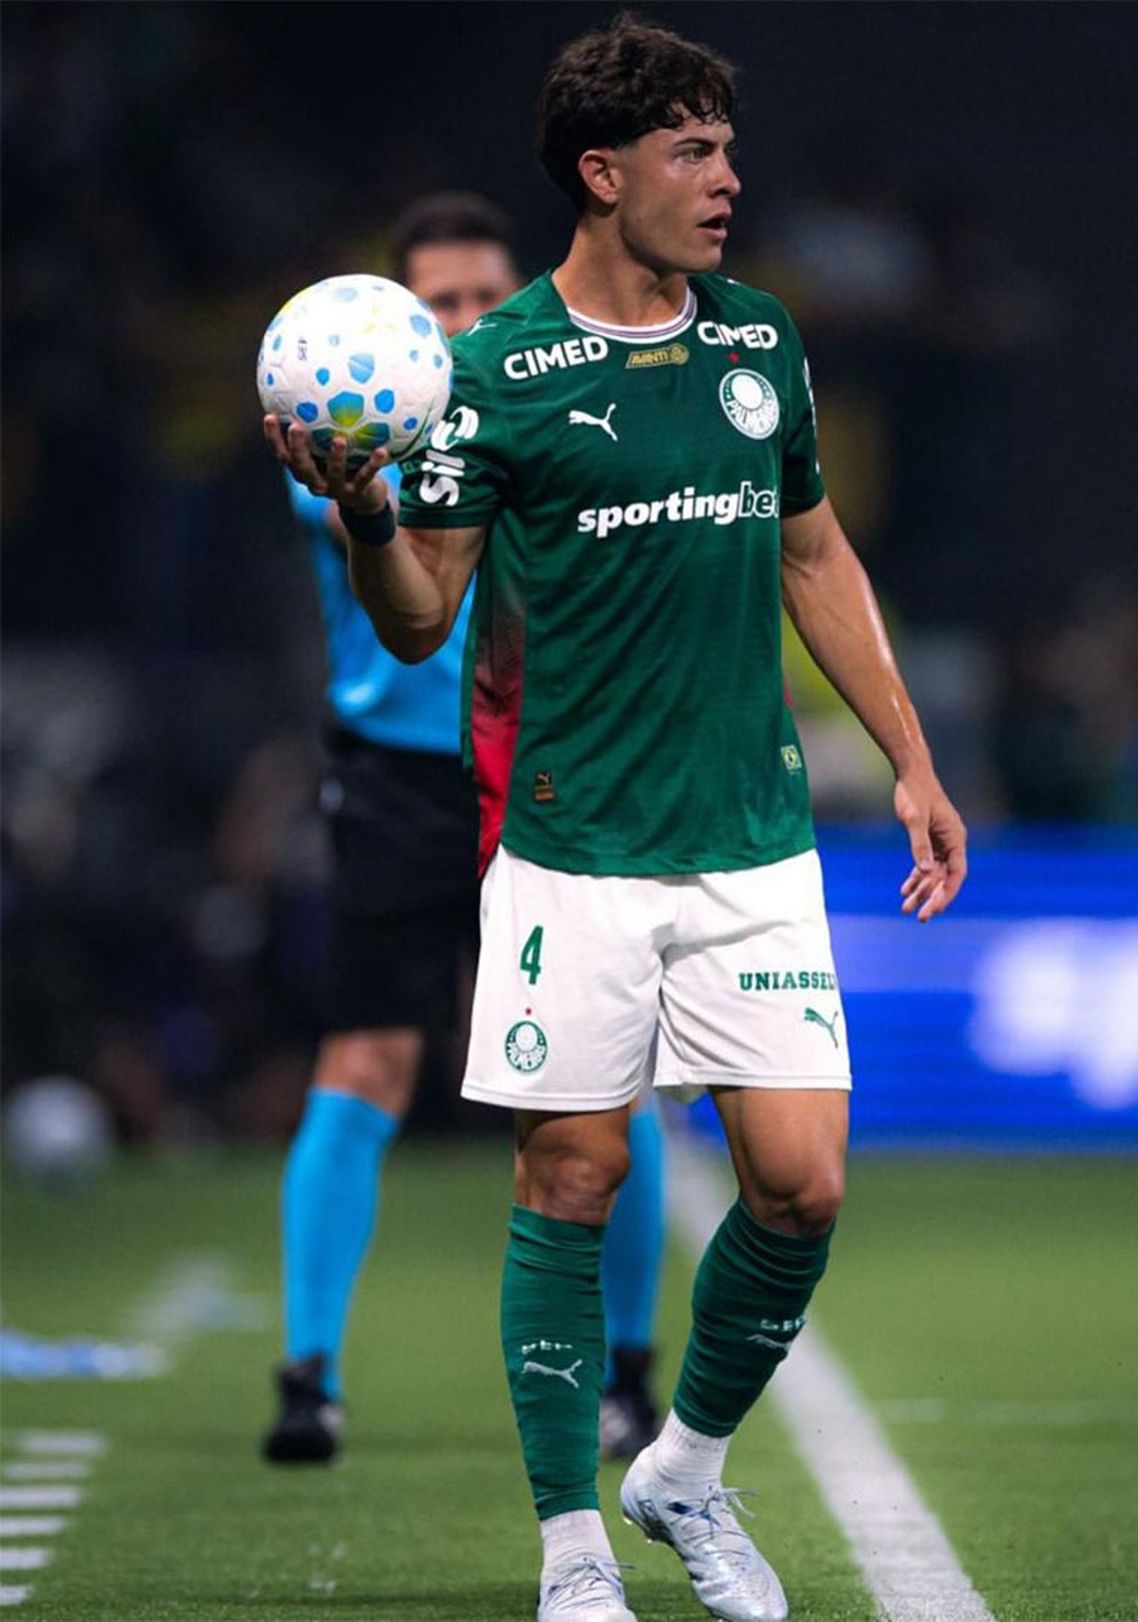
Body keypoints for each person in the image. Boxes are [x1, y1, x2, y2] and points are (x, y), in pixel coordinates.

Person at [266, 16, 967, 1622]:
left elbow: (815, 556)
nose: (727, 181)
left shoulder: (759, 341)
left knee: (803, 1182)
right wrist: (369, 508)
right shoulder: (496, 371)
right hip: (571, 851)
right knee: (571, 1176)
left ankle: (684, 1472)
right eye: (691, 152)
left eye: (726, 149)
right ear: (603, 173)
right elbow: (421, 620)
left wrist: (913, 758)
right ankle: (571, 1546)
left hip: (751, 839)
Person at [263, 193, 668, 1466]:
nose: (466, 319)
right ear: (396, 319)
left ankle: (626, 1370)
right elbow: (391, 533)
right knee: (368, 1058)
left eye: (488, 297)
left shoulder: (555, 414)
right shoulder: (346, 446)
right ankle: (309, 1376)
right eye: (440, 300)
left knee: (608, 1076)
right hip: (399, 784)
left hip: (552, 773)